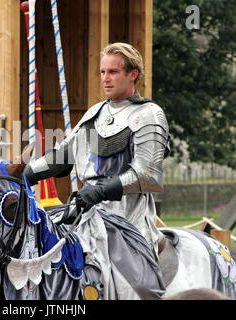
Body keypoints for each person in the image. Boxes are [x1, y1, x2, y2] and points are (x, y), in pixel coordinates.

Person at [24, 42, 170, 299]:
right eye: (103, 72)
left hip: (129, 220)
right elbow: (62, 156)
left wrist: (100, 191)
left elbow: (148, 175)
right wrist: (22, 174)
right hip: (85, 214)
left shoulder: (149, 114)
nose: (106, 79)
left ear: (132, 74)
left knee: (140, 290)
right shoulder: (95, 113)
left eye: (113, 72)